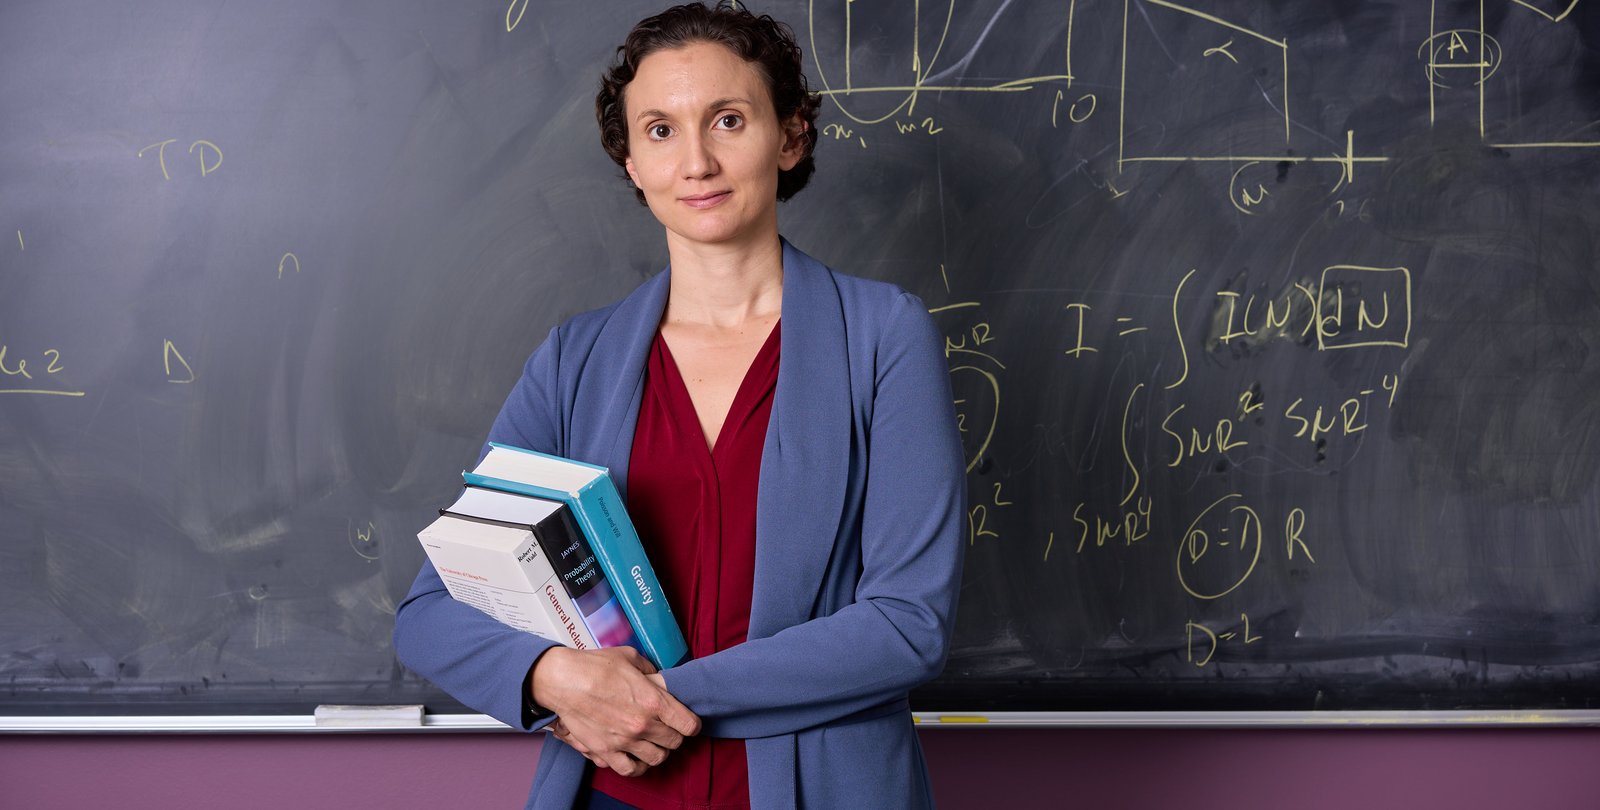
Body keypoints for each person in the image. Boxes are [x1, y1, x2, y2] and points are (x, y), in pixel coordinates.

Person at [392, 3, 966, 808]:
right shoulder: (574, 361)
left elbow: (908, 623)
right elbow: (428, 614)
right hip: (608, 795)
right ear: (630, 161)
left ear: (791, 135)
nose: (696, 161)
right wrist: (554, 677)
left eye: (727, 120)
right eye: (660, 130)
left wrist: (647, 698)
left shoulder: (881, 336)